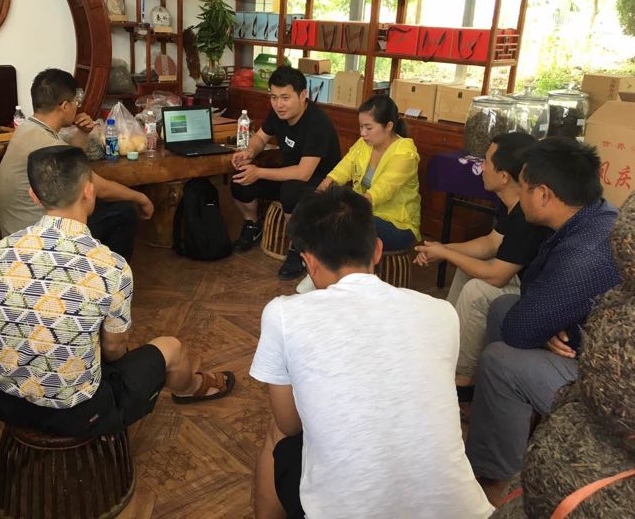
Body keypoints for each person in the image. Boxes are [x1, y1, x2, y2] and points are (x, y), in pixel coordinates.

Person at [250, 186, 494, 519]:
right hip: (464, 512)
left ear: (309, 262)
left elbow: (290, 424)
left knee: (277, 432)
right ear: (378, 250)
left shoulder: (283, 314)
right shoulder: (442, 313)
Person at [0, 146, 235, 438]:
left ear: (34, 196)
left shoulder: (1, 250)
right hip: (79, 415)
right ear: (89, 191)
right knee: (171, 348)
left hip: (4, 403)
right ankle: (192, 387)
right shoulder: (110, 266)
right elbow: (114, 350)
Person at [465, 137, 621, 506]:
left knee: (500, 359)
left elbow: (520, 330)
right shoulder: (594, 216)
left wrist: (542, 325)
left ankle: (499, 481)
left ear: (545, 195)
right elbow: (532, 293)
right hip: (587, 345)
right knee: (502, 306)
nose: (520, 196)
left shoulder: (585, 251)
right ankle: (501, 424)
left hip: (606, 386)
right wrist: (547, 324)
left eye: (525, 187)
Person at [414, 132, 551, 393]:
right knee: (466, 269)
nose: (481, 166)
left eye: (487, 161)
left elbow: (497, 275)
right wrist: (442, 248)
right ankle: (446, 346)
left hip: (535, 295)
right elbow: (491, 243)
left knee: (477, 289)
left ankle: (463, 376)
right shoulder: (513, 202)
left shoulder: (526, 216)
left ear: (504, 176)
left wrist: (447, 254)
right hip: (516, 276)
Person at [0, 68, 154, 260]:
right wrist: (141, 198)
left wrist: (83, 133)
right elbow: (99, 188)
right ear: (64, 106)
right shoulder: (46, 143)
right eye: (75, 103)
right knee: (123, 211)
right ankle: (108, 269)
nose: (77, 108)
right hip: (39, 242)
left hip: (19, 231)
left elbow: (68, 163)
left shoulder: (27, 128)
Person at [230, 66, 341, 280]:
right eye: (274, 97)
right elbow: (260, 138)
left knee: (291, 190)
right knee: (240, 180)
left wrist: (259, 172)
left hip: (321, 184)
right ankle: (252, 225)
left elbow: (304, 173)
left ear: (303, 95)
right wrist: (249, 152)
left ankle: (299, 247)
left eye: (285, 98)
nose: (279, 104)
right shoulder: (278, 114)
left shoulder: (317, 123)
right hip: (290, 175)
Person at [317, 95, 420, 251]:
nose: (363, 133)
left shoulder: (405, 154)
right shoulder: (364, 144)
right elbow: (343, 168)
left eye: (369, 128)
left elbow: (382, 190)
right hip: (364, 213)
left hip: (396, 224)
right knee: (324, 217)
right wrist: (324, 186)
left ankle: (335, 265)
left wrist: (347, 209)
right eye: (361, 127)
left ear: (389, 126)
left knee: (342, 226)